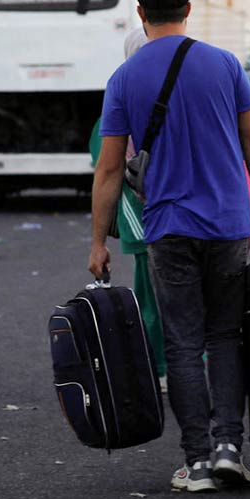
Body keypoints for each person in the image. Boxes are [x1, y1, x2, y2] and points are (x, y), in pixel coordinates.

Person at [88, 0, 250, 493]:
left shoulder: (125, 78)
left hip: (168, 227)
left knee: (181, 342)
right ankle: (228, 448)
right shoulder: (224, 64)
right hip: (227, 225)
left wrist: (97, 241)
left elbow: (109, 170)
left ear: (140, 13)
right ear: (188, 9)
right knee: (226, 336)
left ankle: (196, 462)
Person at [89, 27, 167, 390]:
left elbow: (104, 168)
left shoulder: (118, 100)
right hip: (157, 219)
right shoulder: (165, 98)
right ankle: (165, 367)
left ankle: (162, 367)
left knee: (154, 298)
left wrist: (99, 239)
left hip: (140, 220)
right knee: (159, 298)